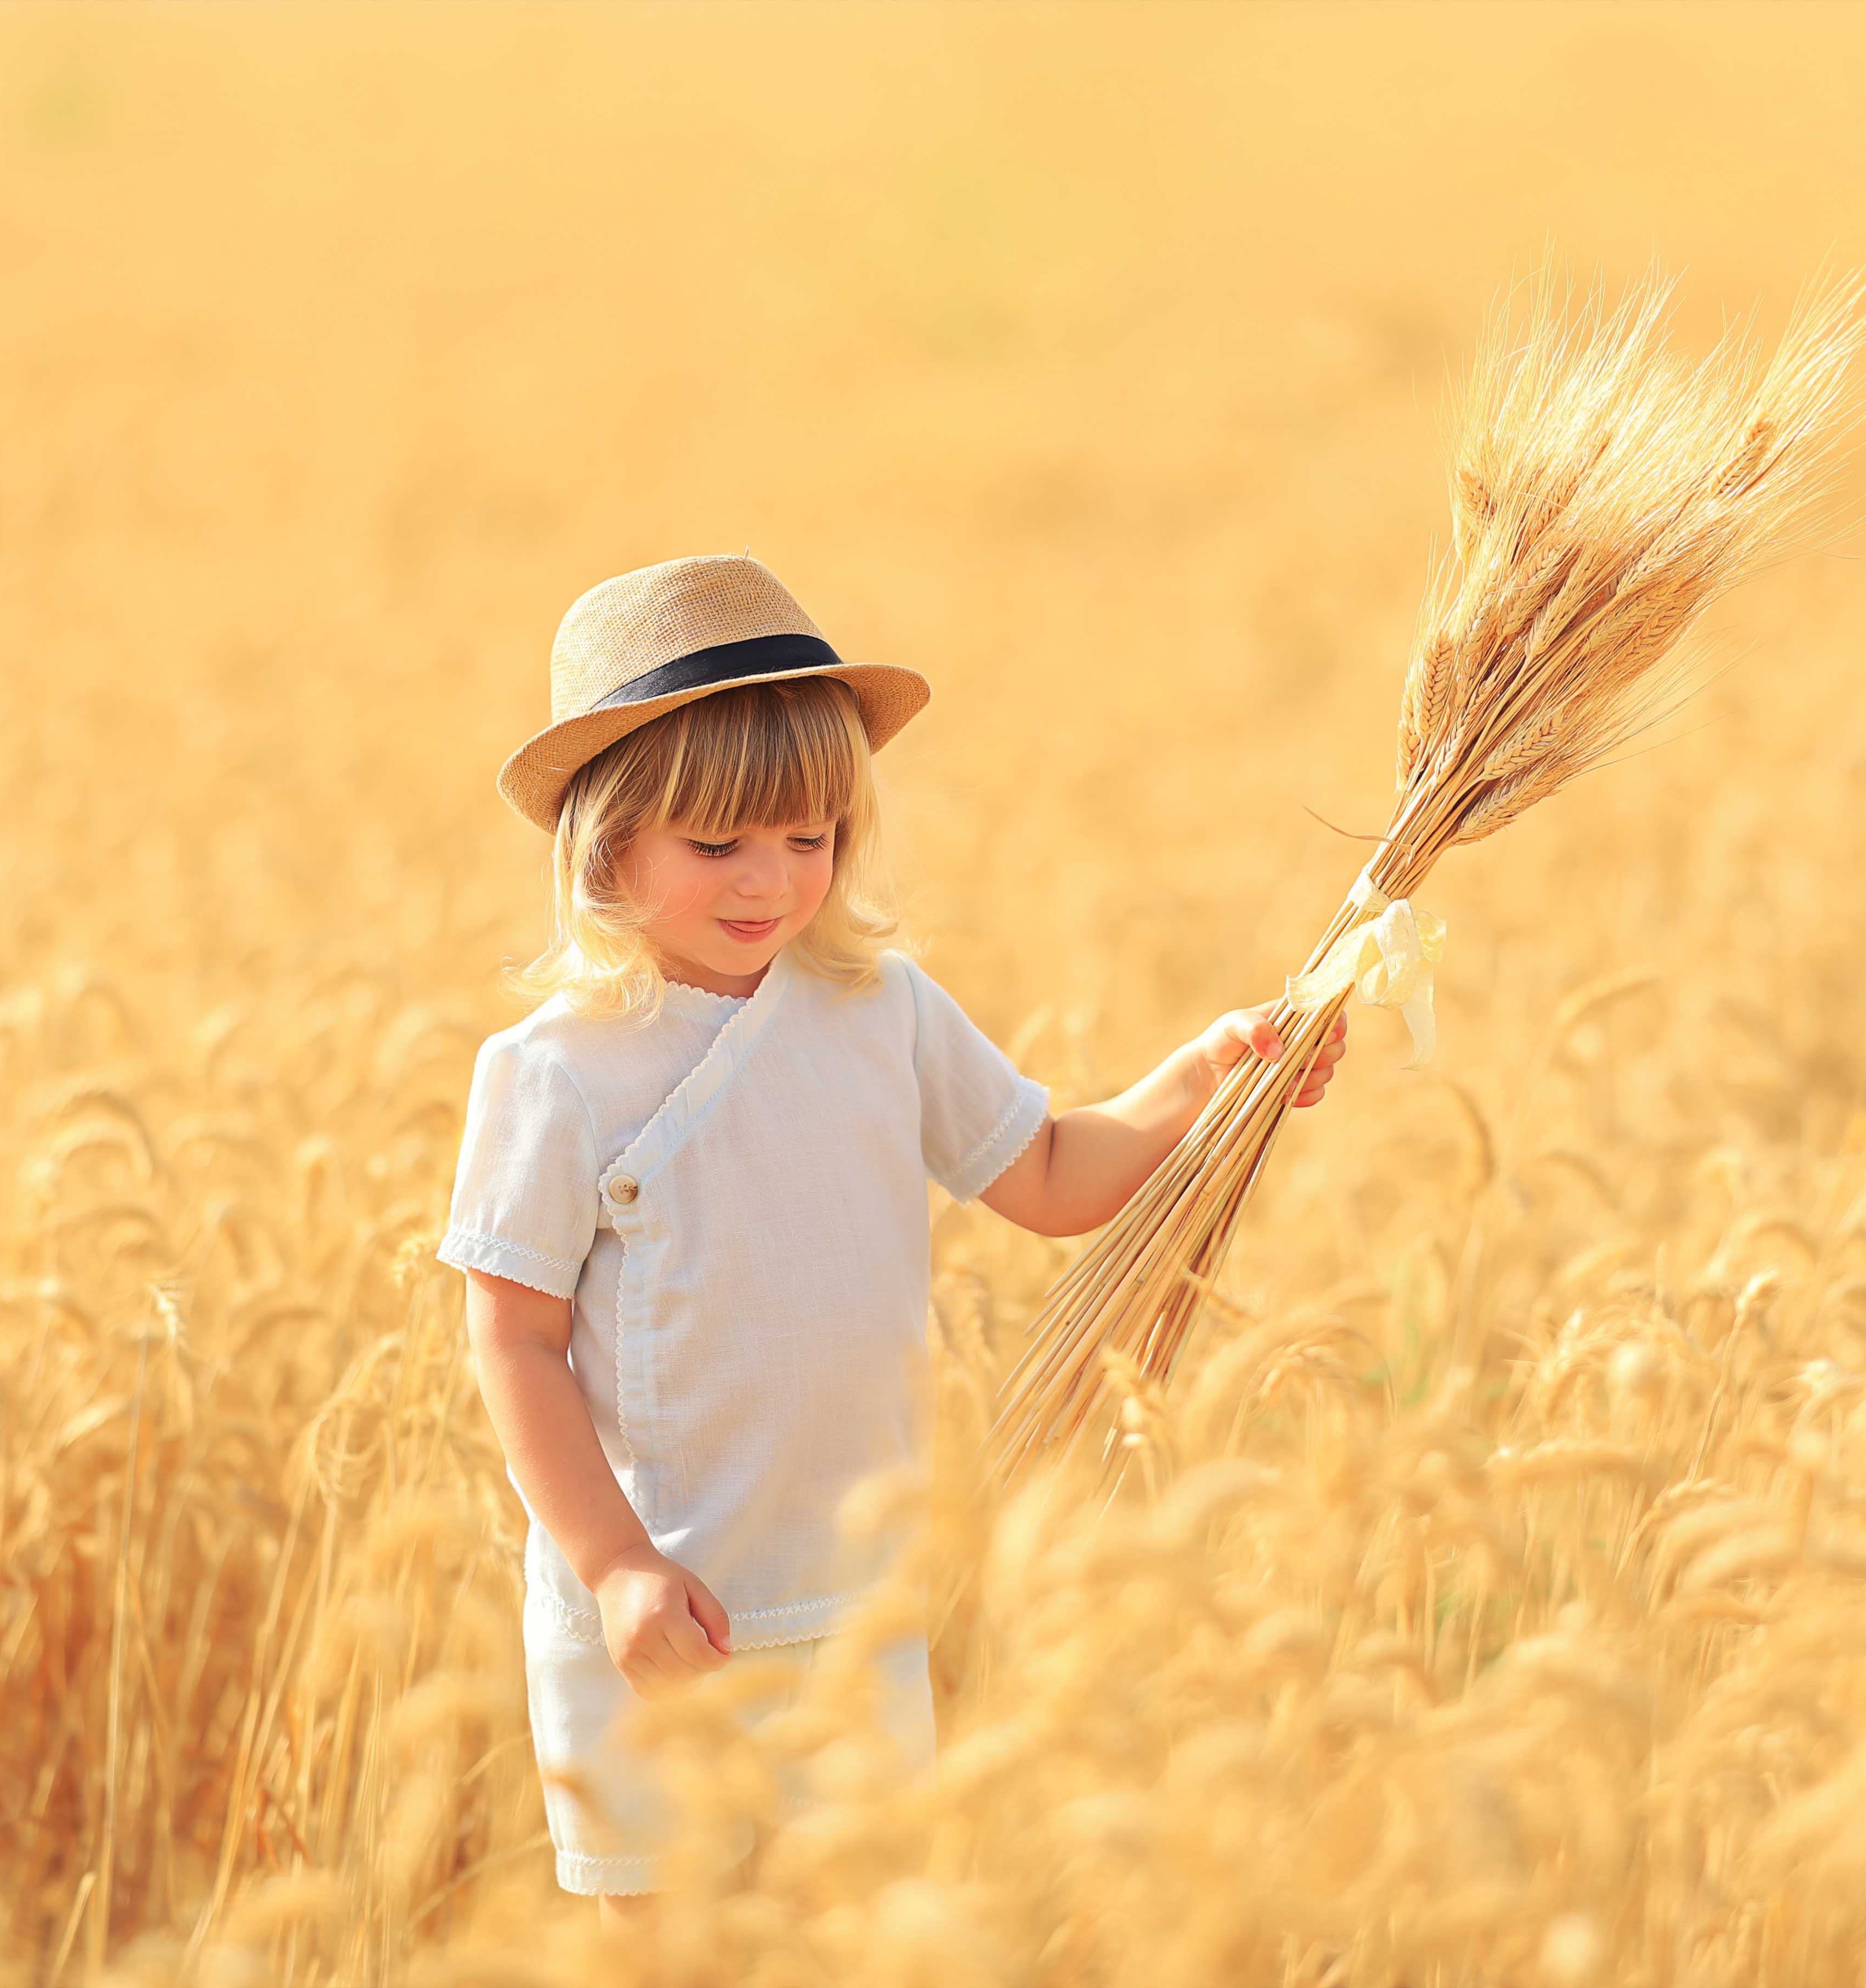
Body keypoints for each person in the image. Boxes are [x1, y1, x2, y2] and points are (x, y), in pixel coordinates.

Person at [439, 552, 1347, 1923]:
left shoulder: (879, 1011)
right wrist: (616, 1566)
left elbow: (1045, 1171)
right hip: (662, 1615)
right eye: (719, 846)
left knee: (854, 1930)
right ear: (608, 840)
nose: (772, 884)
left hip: (858, 1601)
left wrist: (1207, 1077)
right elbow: (512, 1336)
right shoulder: (558, 1071)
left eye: (812, 842)